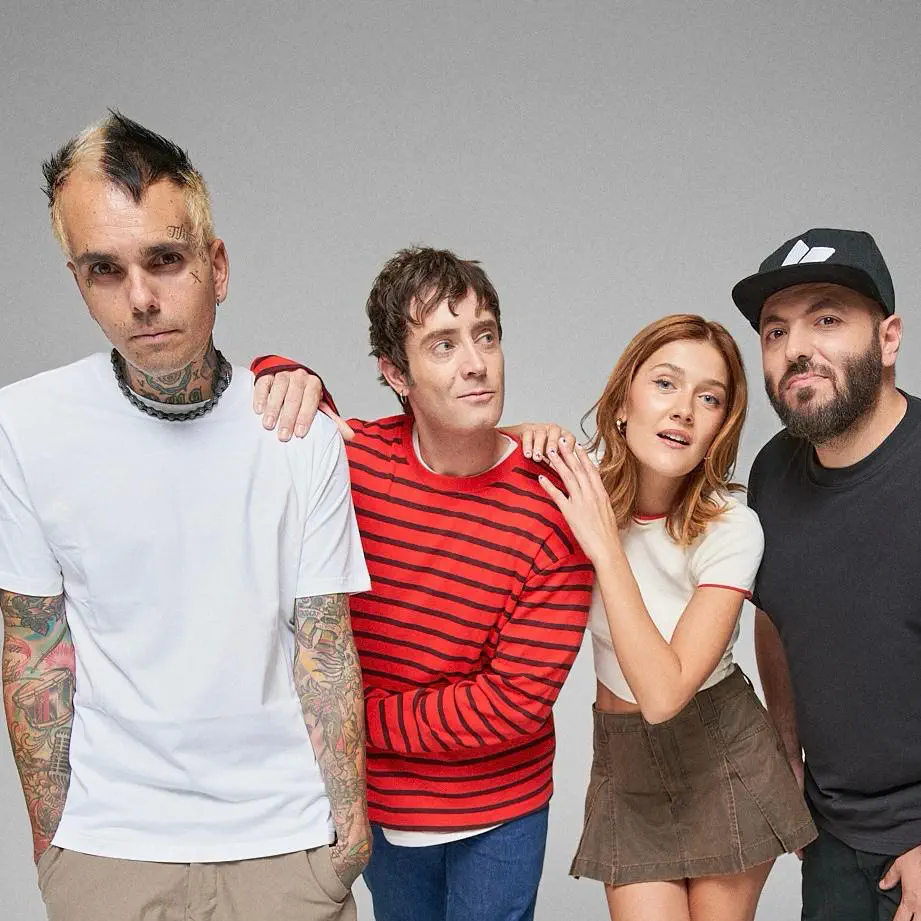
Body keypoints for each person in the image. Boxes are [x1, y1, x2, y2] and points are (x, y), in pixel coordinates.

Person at [0, 112, 371, 921]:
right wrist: (56, 846)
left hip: (286, 849)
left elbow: (324, 645)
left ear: (216, 265)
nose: (140, 298)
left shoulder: (298, 432)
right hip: (108, 853)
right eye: (105, 269)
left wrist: (346, 839)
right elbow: (34, 646)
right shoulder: (23, 427)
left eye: (164, 259)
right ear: (78, 281)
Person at [250, 246, 594, 921]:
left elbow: (512, 703)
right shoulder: (353, 462)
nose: (475, 363)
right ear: (394, 373)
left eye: (485, 336)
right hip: (381, 809)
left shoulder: (554, 504)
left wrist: (346, 718)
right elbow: (258, 394)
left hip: (500, 812)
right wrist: (283, 372)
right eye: (442, 344)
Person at [535, 314, 815, 921]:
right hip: (624, 761)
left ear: (720, 427)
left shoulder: (731, 527)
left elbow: (664, 696)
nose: (684, 409)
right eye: (665, 383)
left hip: (721, 752)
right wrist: (527, 434)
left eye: (709, 398)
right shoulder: (577, 493)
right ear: (622, 403)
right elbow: (464, 442)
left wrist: (605, 549)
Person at [732, 228, 921, 921]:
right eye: (775, 330)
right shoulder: (773, 472)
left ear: (889, 339)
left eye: (828, 319)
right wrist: (786, 749)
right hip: (834, 836)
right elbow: (776, 615)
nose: (795, 348)